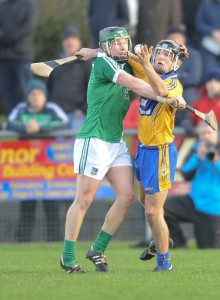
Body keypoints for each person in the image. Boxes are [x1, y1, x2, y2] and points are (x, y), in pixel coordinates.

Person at [59, 27, 185, 274]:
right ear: (105, 47)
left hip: (116, 142)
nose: (121, 45)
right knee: (83, 200)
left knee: (127, 197)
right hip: (94, 139)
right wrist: (168, 97)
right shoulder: (106, 64)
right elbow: (136, 84)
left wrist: (172, 81)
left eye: (123, 41)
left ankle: (97, 248)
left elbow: (142, 58)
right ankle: (68, 257)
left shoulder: (126, 62)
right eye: (114, 43)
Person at [130, 42, 187, 271]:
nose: (161, 57)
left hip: (161, 151)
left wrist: (145, 64)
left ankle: (164, 262)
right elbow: (124, 54)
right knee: (145, 203)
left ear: (176, 63)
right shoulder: (147, 70)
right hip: (143, 149)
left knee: (153, 211)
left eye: (167, 55)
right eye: (159, 53)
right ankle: (161, 238)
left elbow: (162, 92)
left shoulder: (174, 83)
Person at [7, 78, 69, 242]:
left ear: (44, 96)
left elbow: (65, 124)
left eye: (39, 94)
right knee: (27, 204)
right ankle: (23, 240)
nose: (36, 98)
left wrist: (41, 128)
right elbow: (9, 124)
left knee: (52, 205)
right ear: (28, 97)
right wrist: (24, 128)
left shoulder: (52, 109)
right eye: (33, 94)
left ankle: (55, 240)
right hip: (27, 167)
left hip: (49, 166)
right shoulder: (21, 109)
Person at [164, 122, 220, 248]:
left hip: (214, 207)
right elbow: (186, 173)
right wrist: (197, 157)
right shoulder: (196, 149)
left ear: (217, 133)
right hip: (193, 201)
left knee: (209, 247)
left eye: (209, 132)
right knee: (163, 208)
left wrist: (217, 161)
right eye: (202, 133)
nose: (205, 136)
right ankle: (178, 242)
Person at [47, 26, 90, 130]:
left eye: (73, 38)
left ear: (79, 41)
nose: (70, 41)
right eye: (66, 38)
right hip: (56, 114)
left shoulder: (86, 63)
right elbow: (48, 87)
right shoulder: (54, 62)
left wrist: (83, 110)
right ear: (63, 42)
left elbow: (93, 89)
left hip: (77, 115)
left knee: (75, 144)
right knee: (53, 145)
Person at [0, 0, 39, 115]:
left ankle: (29, 118)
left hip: (22, 57)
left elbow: (29, 26)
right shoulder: (2, 7)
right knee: (8, 92)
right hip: (4, 57)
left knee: (25, 90)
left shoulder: (29, 5)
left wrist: (9, 37)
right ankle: (13, 119)